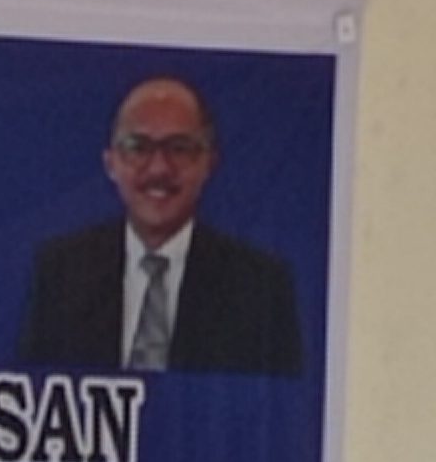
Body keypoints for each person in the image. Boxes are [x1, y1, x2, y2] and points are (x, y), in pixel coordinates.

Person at [18, 76, 303, 377]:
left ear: (209, 163)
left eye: (179, 148)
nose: (159, 168)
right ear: (111, 163)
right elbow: (38, 393)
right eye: (138, 147)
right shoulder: (62, 271)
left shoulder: (260, 286)